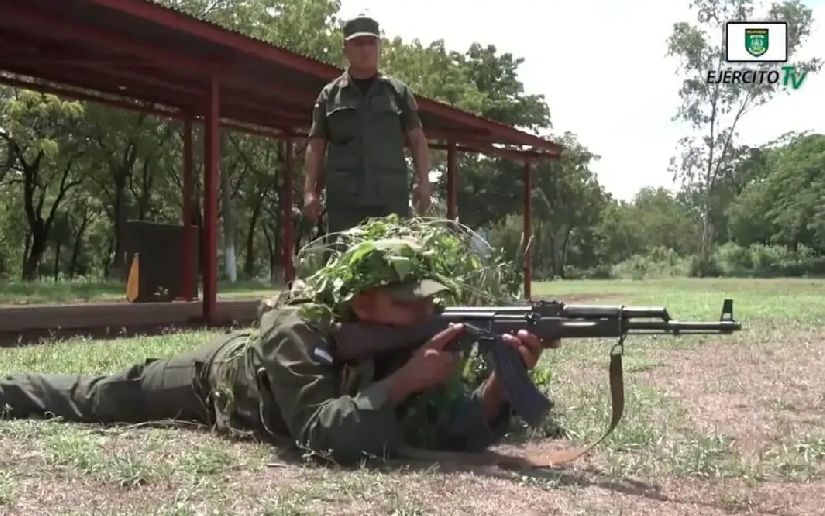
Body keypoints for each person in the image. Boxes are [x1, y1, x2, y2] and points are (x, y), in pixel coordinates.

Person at [0, 238, 551, 466]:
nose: (425, 315)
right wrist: (405, 380)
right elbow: (314, 433)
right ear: (362, 303)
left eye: (429, 303)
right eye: (408, 306)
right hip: (213, 380)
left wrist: (503, 384)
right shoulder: (297, 326)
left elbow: (444, 431)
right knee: (100, 396)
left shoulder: (411, 337)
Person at [303, 14, 433, 234]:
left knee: (391, 262)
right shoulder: (330, 95)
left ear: (379, 46)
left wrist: (424, 183)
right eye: (358, 43)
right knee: (343, 263)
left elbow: (417, 140)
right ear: (345, 49)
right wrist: (309, 192)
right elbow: (316, 146)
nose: (365, 50)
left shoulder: (397, 92)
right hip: (345, 202)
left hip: (389, 199)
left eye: (371, 43)